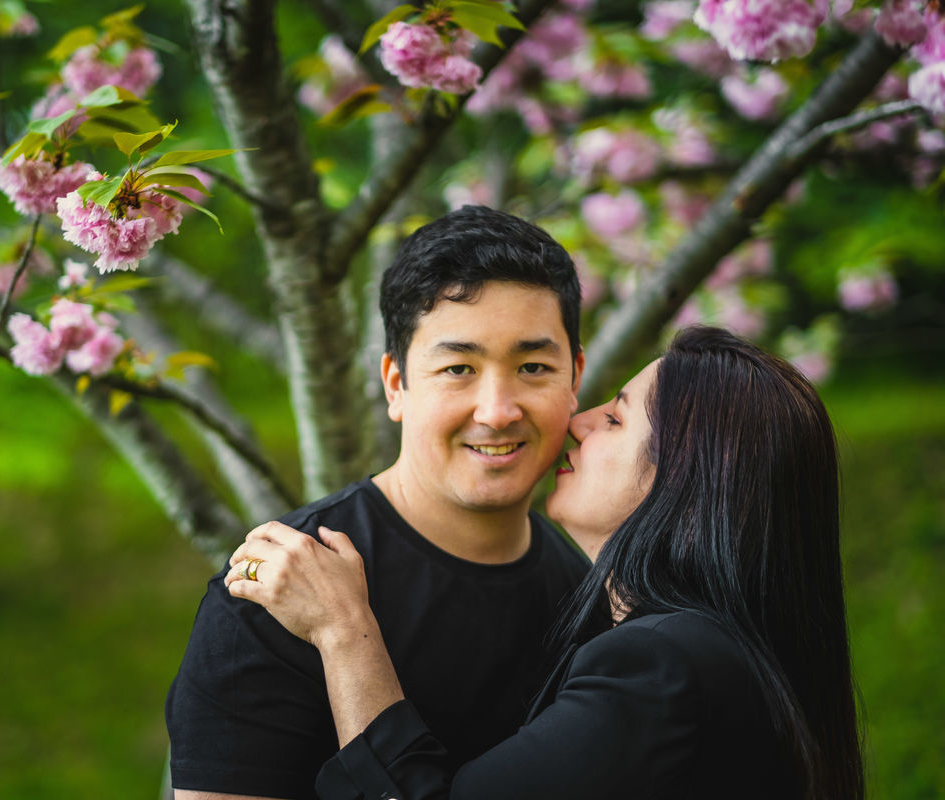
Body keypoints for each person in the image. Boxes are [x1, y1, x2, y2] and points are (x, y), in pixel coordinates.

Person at [226, 326, 865, 799]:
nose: (579, 423)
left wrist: (343, 630)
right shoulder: (713, 654)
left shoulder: (662, 665)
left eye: (615, 419)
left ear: (686, 478)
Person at [165, 206, 592, 799]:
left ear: (574, 377)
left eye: (533, 367)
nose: (497, 410)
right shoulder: (277, 591)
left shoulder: (591, 602)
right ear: (396, 384)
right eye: (458, 368)